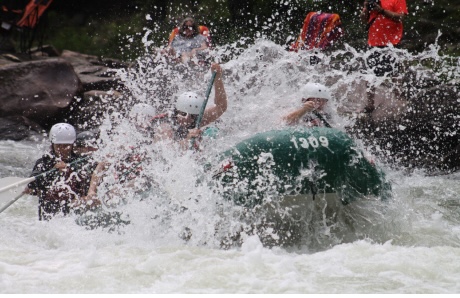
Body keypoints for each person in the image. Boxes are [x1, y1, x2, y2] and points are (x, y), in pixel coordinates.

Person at [24, 123, 100, 221]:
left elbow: (94, 176)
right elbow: (32, 185)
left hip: (76, 212)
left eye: (66, 146)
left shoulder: (81, 161)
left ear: (73, 145)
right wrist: (53, 171)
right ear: (52, 144)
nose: (62, 149)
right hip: (50, 212)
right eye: (58, 146)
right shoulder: (44, 162)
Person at [152, 62, 227, 150]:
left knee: (212, 132)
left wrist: (217, 78)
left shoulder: (196, 118)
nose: (188, 118)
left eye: (192, 116)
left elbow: (221, 107)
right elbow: (167, 151)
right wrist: (187, 139)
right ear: (177, 112)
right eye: (184, 114)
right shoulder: (165, 125)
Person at [360, 0, 408, 113]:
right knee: (370, 75)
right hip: (374, 42)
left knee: (395, 74)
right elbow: (363, 19)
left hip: (393, 42)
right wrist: (366, 8)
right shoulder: (372, 0)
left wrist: (381, 10)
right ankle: (370, 104)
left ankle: (399, 101)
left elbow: (400, 17)